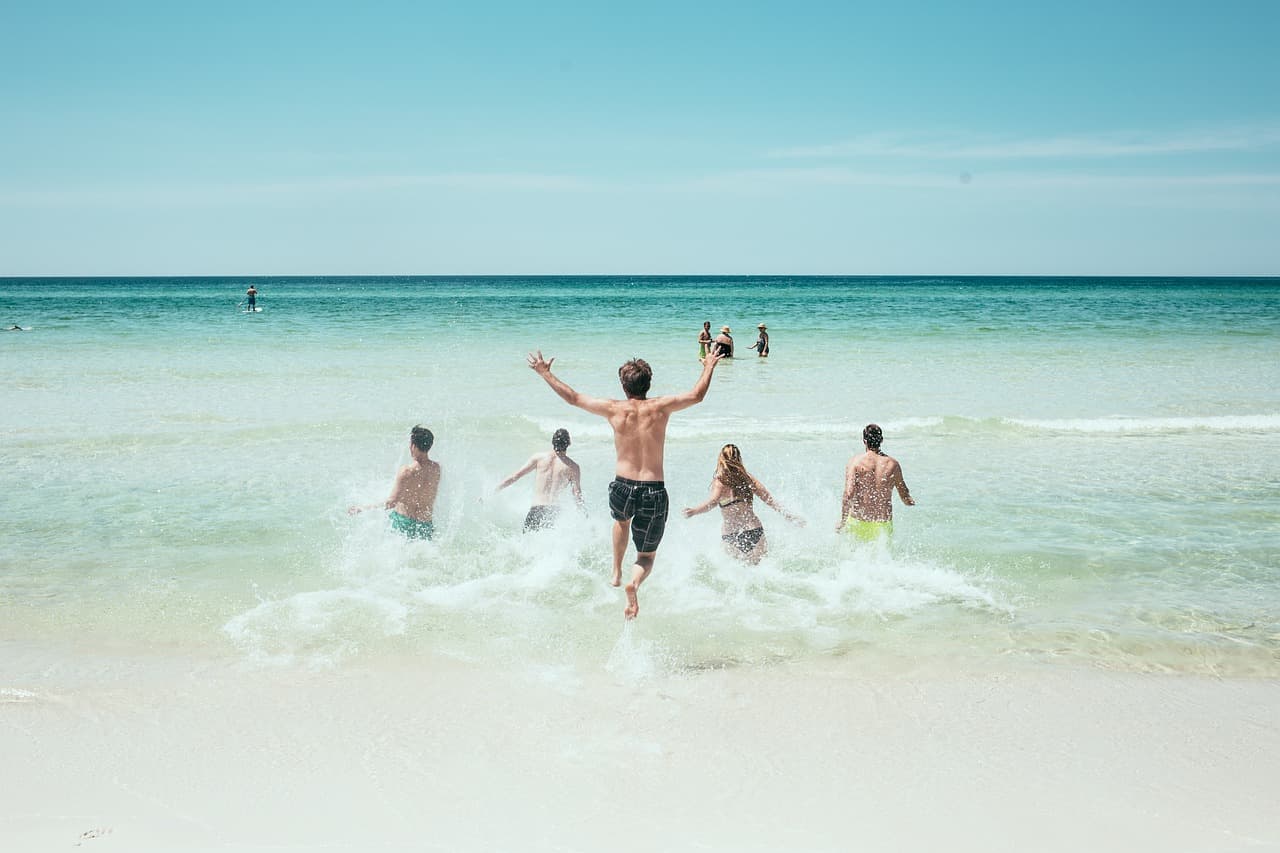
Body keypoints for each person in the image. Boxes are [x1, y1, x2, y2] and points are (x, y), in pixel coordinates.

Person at [527, 349, 723, 619]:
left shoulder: (614, 409)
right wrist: (709, 365)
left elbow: (572, 397)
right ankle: (634, 582)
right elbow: (697, 395)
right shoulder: (661, 407)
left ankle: (616, 571)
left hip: (622, 486)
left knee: (621, 523)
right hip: (653, 489)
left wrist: (545, 372)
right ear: (649, 383)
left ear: (623, 385)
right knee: (646, 557)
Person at [683, 444, 803, 564]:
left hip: (731, 535)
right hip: (754, 530)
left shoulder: (720, 481)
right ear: (739, 458)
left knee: (736, 576)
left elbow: (713, 502)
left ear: (721, 459)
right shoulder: (747, 478)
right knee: (762, 570)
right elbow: (769, 499)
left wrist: (694, 511)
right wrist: (789, 516)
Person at [349, 425, 441, 540]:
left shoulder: (407, 471)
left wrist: (363, 508)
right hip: (425, 525)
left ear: (413, 446)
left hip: (404, 523)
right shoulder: (436, 469)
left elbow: (391, 503)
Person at [496, 428, 586, 532]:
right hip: (554, 513)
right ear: (569, 443)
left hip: (536, 510)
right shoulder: (573, 467)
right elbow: (577, 494)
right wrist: (584, 516)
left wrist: (493, 491)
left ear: (553, 441)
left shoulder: (539, 458)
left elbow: (515, 476)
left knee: (527, 545)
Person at [838, 423, 914, 540]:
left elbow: (849, 493)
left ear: (864, 441)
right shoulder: (892, 464)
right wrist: (910, 501)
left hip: (858, 521)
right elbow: (905, 496)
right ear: (881, 440)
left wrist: (842, 521)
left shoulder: (855, 462)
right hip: (882, 524)